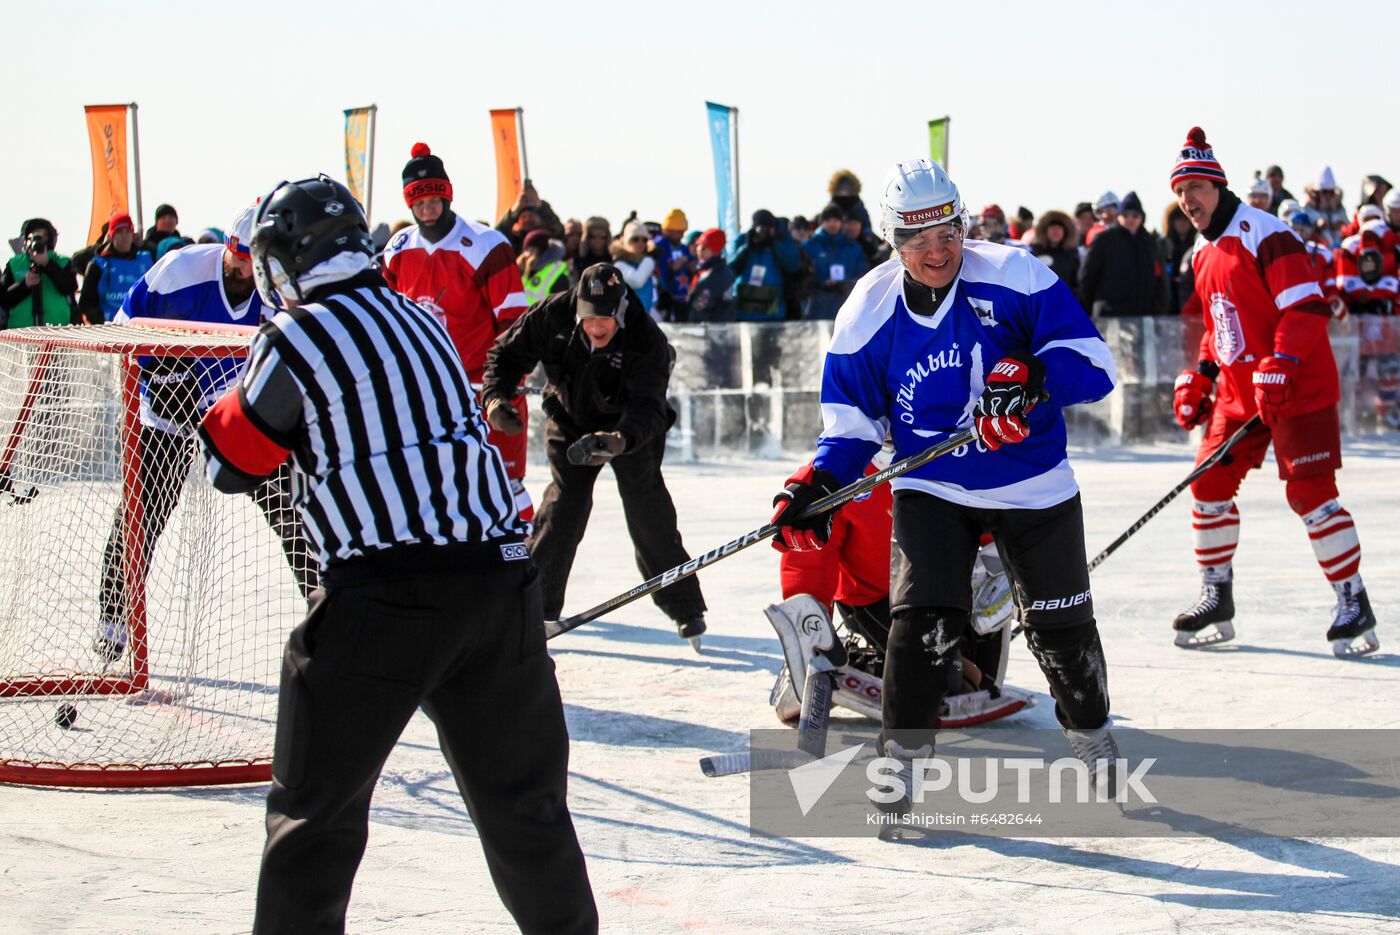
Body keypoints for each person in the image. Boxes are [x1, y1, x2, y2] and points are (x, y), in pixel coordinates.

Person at [196, 176, 596, 933]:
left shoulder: (296, 334)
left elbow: (232, 462)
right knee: (528, 814)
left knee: (315, 818)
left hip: (382, 599)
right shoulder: (422, 320)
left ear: (287, 262)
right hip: (500, 585)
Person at [769, 156, 1120, 818]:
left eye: (948, 232)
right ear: (894, 241)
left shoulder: (1014, 276)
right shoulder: (867, 313)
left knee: (1060, 632)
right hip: (933, 487)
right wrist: (817, 485)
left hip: (1033, 485)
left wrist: (1035, 377)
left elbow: (1095, 364)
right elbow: (850, 430)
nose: (937, 251)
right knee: (921, 620)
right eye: (918, 238)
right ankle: (900, 760)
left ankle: (1091, 728)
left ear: (963, 224)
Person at [1168, 127, 1377, 657]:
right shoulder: (1201, 252)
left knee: (1310, 494)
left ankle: (1353, 601)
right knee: (1208, 487)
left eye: (1195, 187)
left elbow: (1307, 308)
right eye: (1179, 192)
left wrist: (1282, 362)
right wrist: (1203, 375)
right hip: (1242, 393)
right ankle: (1217, 596)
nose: (1187, 200)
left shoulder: (1266, 233)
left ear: (1218, 185)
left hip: (1297, 386)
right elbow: (1222, 326)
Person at [93, 204, 316, 665]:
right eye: (237, 257)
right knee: (143, 510)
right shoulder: (181, 270)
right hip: (167, 411)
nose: (242, 269)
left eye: (253, 262)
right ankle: (113, 620)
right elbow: (120, 327)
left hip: (234, 410)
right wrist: (159, 371)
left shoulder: (278, 293)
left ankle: (325, 614)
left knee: (291, 508)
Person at [482, 264, 708, 648]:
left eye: (605, 318)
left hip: (628, 428)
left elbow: (650, 407)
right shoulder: (552, 314)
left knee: (647, 506)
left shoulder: (645, 337)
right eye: (589, 318)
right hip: (570, 418)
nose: (596, 327)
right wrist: (495, 399)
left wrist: (620, 439)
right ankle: (536, 609)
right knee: (563, 506)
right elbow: (503, 355)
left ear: (620, 309)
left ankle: (685, 608)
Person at [766, 447, 1028, 729]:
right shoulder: (836, 474)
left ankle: (937, 661)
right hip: (875, 598)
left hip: (945, 586)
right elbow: (810, 560)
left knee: (984, 684)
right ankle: (857, 663)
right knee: (943, 685)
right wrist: (811, 627)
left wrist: (1006, 577)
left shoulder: (949, 454)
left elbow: (993, 523)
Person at [381, 142, 534, 522]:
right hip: (426, 390)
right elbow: (384, 318)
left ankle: (525, 556)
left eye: (434, 200)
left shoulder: (485, 246)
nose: (428, 210)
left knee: (504, 482)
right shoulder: (397, 250)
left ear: (447, 197)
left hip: (484, 387)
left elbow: (514, 323)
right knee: (436, 482)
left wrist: (507, 381)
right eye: (419, 203)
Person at [1078, 191, 1165, 317]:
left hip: (1143, 316)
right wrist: (1089, 309)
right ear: (1119, 216)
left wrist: (1159, 309)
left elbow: (1161, 281)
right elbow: (1087, 276)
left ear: (1141, 218)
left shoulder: (1150, 244)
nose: (1130, 219)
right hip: (1110, 317)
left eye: (1135, 215)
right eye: (1125, 215)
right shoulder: (1104, 239)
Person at [1, 218, 79, 329]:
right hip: (21, 335)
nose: (37, 242)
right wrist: (25, 285)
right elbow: (4, 300)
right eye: (33, 237)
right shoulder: (15, 264)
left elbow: (69, 288)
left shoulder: (63, 262)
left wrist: (47, 263)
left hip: (58, 332)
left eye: (41, 237)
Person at [78, 212, 154, 324]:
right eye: (120, 232)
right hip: (110, 329)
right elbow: (86, 303)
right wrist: (100, 323)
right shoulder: (98, 265)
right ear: (112, 235)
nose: (125, 236)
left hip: (141, 328)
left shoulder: (146, 260)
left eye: (128, 231)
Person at [730, 209, 802, 321]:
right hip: (745, 310)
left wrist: (774, 244)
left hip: (772, 311)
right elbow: (731, 269)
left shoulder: (782, 240)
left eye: (768, 228)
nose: (763, 232)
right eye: (760, 228)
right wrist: (747, 247)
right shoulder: (743, 240)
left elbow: (793, 265)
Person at [802, 204, 868, 319]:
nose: (832, 224)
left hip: (847, 306)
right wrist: (822, 282)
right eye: (828, 220)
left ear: (841, 222)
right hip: (817, 306)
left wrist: (846, 283)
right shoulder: (810, 246)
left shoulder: (853, 247)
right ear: (822, 222)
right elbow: (803, 276)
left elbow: (863, 275)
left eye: (836, 220)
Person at [495, 179, 566, 253]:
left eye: (531, 215)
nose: (528, 219)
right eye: (524, 216)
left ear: (540, 219)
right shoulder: (514, 242)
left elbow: (560, 232)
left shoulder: (550, 240)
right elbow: (497, 235)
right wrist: (514, 211)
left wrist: (541, 205)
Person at [610, 220, 658, 319]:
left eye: (644, 240)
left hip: (645, 316)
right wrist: (650, 260)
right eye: (635, 239)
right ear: (626, 240)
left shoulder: (643, 263)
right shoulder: (619, 264)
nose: (640, 243)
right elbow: (637, 281)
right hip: (628, 319)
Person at [687, 228, 736, 322]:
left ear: (716, 250)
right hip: (706, 326)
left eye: (704, 247)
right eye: (698, 245)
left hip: (714, 328)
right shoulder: (703, 270)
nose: (699, 250)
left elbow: (703, 305)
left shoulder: (720, 273)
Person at [654, 208, 692, 322]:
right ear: (668, 229)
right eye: (679, 232)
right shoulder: (658, 246)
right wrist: (670, 268)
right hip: (664, 299)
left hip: (683, 299)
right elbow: (657, 270)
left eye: (683, 232)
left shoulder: (684, 248)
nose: (682, 236)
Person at [519, 228, 571, 306]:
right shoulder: (523, 269)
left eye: (532, 250)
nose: (527, 255)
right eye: (526, 250)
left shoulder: (557, 274)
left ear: (543, 252)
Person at [1030, 210, 1080, 287]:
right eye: (1053, 228)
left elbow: (1076, 281)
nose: (1056, 231)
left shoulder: (1071, 254)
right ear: (1045, 231)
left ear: (1065, 232)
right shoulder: (1036, 251)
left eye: (1059, 228)